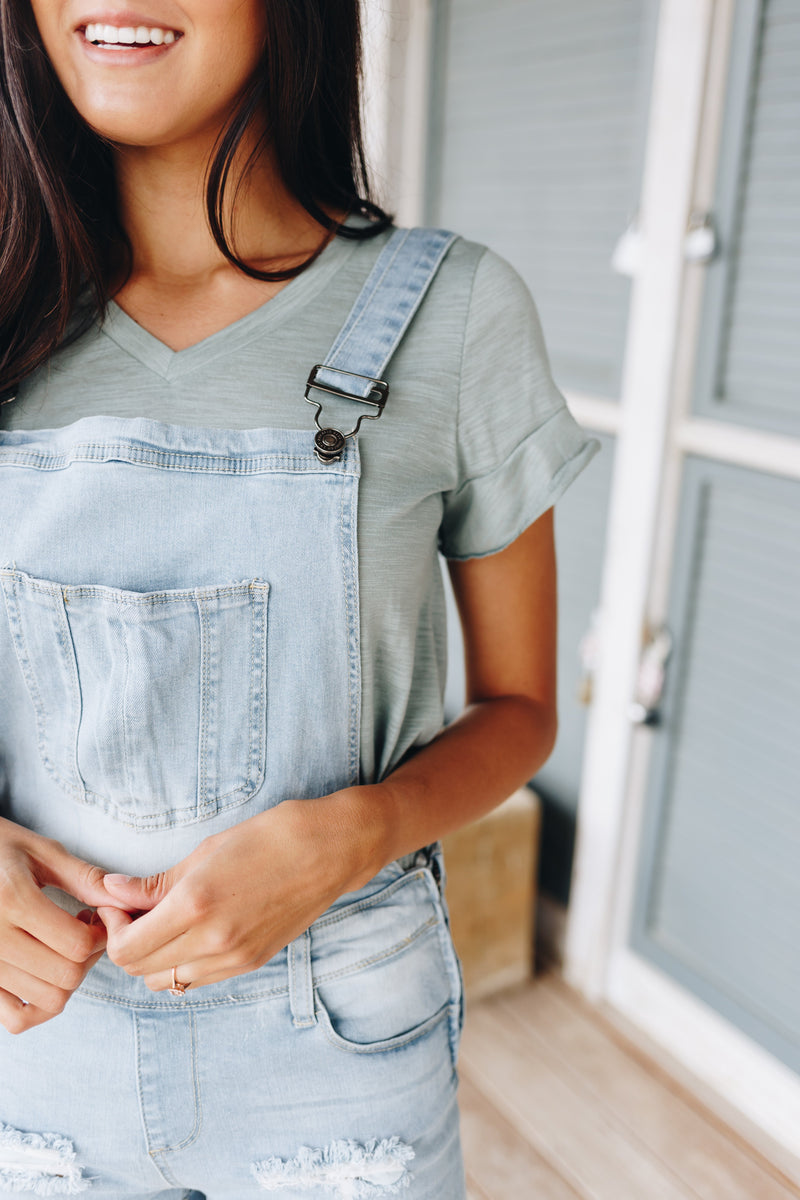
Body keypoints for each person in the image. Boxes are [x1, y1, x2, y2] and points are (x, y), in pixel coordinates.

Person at [0, 0, 601, 1195]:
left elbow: (521, 707)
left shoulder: (453, 314)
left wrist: (356, 833)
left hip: (340, 1056)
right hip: (33, 1052)